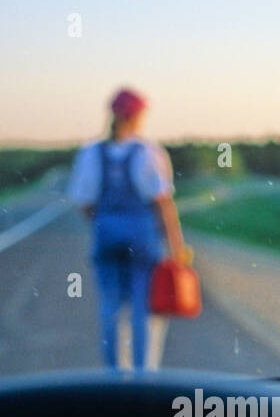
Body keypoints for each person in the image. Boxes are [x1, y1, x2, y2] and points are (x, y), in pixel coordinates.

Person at [66, 88, 189, 370]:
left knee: (109, 308)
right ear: (135, 116)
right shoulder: (148, 152)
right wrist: (177, 246)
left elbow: (84, 202)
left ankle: (114, 376)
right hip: (142, 241)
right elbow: (162, 202)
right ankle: (143, 377)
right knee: (143, 310)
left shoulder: (91, 153)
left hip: (106, 236)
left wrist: (105, 223)